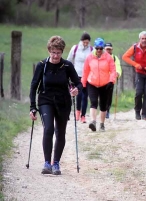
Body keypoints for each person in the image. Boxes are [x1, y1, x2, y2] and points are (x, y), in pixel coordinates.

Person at [29, 36, 82, 175]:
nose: (55, 55)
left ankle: (56, 163)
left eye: (58, 52)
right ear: (49, 51)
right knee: (48, 129)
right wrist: (32, 107)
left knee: (60, 132)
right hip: (45, 100)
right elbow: (34, 86)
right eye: (53, 52)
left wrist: (76, 89)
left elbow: (78, 83)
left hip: (63, 101)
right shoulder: (42, 65)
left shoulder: (67, 66)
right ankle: (47, 163)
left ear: (62, 52)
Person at [122, 31, 146, 120]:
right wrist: (135, 64)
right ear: (139, 39)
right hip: (139, 73)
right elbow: (125, 57)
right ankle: (137, 111)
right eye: (142, 38)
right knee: (139, 92)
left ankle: (145, 114)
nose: (144, 40)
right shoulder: (135, 47)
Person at [81, 38, 116, 132]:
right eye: (97, 48)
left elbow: (113, 70)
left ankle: (102, 124)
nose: (99, 50)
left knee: (103, 105)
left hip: (105, 84)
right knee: (93, 102)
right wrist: (83, 84)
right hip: (92, 83)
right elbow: (85, 71)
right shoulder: (89, 57)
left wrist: (111, 81)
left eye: (101, 48)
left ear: (103, 48)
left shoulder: (108, 57)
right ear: (94, 48)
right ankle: (93, 121)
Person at [67, 32, 93, 123]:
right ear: (81, 41)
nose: (85, 44)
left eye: (87, 42)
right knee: (79, 94)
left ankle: (83, 116)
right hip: (76, 74)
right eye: (84, 42)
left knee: (85, 95)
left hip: (87, 75)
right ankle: (77, 112)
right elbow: (69, 60)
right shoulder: (75, 48)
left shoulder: (91, 49)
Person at [104, 42, 122, 119]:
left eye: (109, 49)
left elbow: (118, 66)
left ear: (112, 49)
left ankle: (107, 110)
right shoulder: (101, 57)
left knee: (109, 96)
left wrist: (118, 73)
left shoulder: (114, 58)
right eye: (107, 49)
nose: (108, 50)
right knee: (102, 95)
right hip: (101, 79)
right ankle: (103, 110)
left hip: (111, 79)